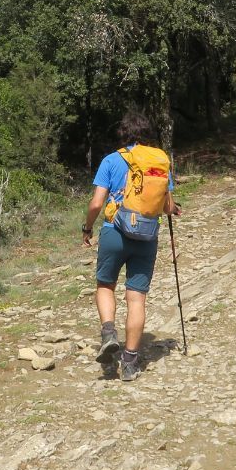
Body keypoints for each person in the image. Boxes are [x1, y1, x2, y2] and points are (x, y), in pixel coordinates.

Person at [82, 109, 179, 381]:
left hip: (114, 232)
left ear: (123, 134)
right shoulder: (159, 162)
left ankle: (109, 333)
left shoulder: (111, 160)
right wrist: (174, 208)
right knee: (136, 298)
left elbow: (97, 203)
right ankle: (129, 363)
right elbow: (167, 206)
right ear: (147, 133)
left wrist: (87, 228)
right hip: (146, 236)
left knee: (105, 285)